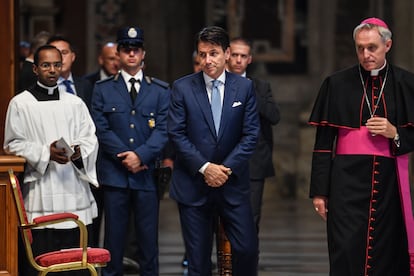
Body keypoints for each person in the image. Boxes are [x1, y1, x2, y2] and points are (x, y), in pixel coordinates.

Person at [309, 17, 414, 275]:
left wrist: (395, 132)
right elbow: (323, 145)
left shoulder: (406, 83)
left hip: (388, 186)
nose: (365, 54)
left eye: (372, 48)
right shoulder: (335, 84)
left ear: (387, 45)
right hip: (345, 185)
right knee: (345, 248)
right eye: (360, 48)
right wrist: (320, 192)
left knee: (388, 250)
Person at [168, 26, 260, 275]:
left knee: (247, 250)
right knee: (198, 261)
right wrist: (206, 168)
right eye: (202, 54)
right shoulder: (182, 87)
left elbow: (251, 134)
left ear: (227, 53)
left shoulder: (244, 88)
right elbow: (177, 133)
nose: (207, 60)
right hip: (193, 184)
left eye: (214, 53)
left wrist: (224, 170)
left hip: (232, 184)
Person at [4, 44, 99, 276]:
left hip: (73, 187)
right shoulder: (20, 104)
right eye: (46, 65)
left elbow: (90, 138)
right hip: (41, 189)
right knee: (44, 259)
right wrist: (46, 152)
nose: (52, 70)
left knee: (76, 260)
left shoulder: (74, 103)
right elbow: (13, 143)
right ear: (35, 69)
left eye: (57, 65)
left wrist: (78, 153)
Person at [91, 26, 170, 276]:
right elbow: (100, 129)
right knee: (113, 239)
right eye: (126, 50)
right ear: (119, 53)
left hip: (146, 174)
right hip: (115, 174)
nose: (131, 54)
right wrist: (126, 156)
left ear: (143, 53)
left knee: (148, 241)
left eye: (136, 50)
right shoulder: (103, 89)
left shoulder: (160, 90)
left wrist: (141, 156)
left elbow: (165, 129)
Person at [226, 37, 280, 234]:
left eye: (243, 56)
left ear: (250, 59)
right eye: (235, 55)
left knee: (252, 216)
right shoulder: (216, 85)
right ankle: (226, 263)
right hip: (222, 161)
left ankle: (248, 263)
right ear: (226, 56)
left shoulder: (261, 87)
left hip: (254, 163)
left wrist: (248, 90)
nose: (238, 60)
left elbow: (274, 117)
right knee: (223, 217)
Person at [83, 41, 120, 249]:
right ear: (100, 60)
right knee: (94, 217)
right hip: (94, 161)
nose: (115, 63)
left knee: (118, 221)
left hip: (119, 162)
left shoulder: (125, 83)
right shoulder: (89, 84)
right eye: (110, 59)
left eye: (117, 58)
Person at [47, 35, 94, 110]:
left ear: (72, 57)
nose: (60, 58)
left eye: (64, 53)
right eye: (55, 53)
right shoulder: (42, 87)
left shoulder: (85, 84)